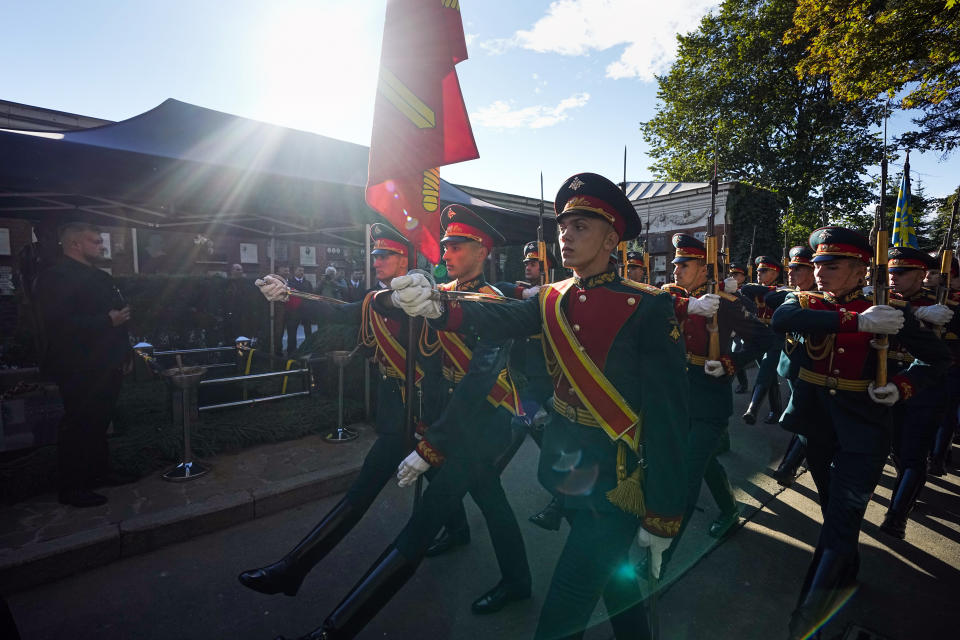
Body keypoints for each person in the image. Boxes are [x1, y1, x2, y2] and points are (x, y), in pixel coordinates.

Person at [392, 173, 698, 640]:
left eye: (582, 227)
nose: (567, 236)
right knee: (616, 584)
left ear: (612, 238)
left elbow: (672, 418)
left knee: (565, 608)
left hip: (617, 480)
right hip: (567, 463)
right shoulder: (552, 297)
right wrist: (439, 306)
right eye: (564, 227)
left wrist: (664, 513)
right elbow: (500, 315)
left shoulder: (647, 307)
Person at [275, 206, 531, 640]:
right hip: (445, 421)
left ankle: (333, 630)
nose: (447, 251)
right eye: (445, 244)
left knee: (422, 524)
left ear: (482, 250)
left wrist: (430, 445)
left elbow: (477, 383)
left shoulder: (494, 303)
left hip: (480, 425)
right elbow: (399, 341)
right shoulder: (435, 292)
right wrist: (291, 298)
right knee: (493, 502)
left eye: (457, 245)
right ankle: (515, 577)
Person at [771, 226, 951, 640]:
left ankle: (804, 623)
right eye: (818, 265)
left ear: (859, 270)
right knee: (835, 509)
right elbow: (783, 318)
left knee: (838, 521)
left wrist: (902, 386)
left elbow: (937, 359)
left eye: (832, 266)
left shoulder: (888, 312)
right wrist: (855, 320)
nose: (820, 273)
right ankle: (846, 574)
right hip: (816, 426)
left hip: (864, 430)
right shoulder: (809, 303)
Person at [662, 234, 774, 548]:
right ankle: (729, 510)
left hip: (709, 398)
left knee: (686, 470)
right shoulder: (670, 296)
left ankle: (662, 553)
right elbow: (646, 303)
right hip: (676, 395)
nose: (675, 269)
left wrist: (729, 362)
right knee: (703, 461)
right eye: (675, 263)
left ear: (704, 268)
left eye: (684, 264)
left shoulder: (726, 303)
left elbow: (765, 340)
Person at [35, 222, 133, 508]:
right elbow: (58, 325)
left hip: (107, 360)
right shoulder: (56, 277)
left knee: (100, 420)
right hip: (78, 364)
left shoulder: (100, 276)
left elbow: (117, 314)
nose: (101, 245)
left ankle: (98, 473)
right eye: (95, 241)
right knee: (79, 423)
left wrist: (123, 352)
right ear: (75, 244)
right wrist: (107, 321)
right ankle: (72, 487)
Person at [881, 246, 956, 539]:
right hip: (891, 383)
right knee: (897, 449)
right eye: (891, 272)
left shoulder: (945, 304)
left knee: (914, 454)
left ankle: (896, 515)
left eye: (901, 273)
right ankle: (908, 488)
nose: (894, 278)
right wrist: (916, 313)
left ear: (921, 274)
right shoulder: (887, 301)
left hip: (929, 387)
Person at [495, 240, 567, 531]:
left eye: (534, 263)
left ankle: (485, 479)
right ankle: (561, 502)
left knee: (517, 432)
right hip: (526, 380)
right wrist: (525, 292)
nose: (528, 266)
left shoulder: (561, 292)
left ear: (547, 265)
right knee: (544, 441)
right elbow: (496, 287)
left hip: (549, 380)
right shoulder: (522, 291)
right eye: (526, 263)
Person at [769, 245, 818, 487]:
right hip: (791, 367)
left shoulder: (825, 299)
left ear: (813, 271)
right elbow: (770, 299)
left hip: (814, 370)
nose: (791, 273)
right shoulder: (792, 295)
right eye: (790, 268)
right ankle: (789, 464)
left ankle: (788, 465)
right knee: (802, 419)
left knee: (804, 420)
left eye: (798, 269)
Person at [741, 255, 788, 424]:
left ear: (775, 273)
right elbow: (745, 290)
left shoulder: (784, 290)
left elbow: (774, 295)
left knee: (768, 369)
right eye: (758, 270)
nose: (759, 274)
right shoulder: (754, 288)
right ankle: (776, 410)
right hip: (759, 335)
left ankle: (753, 408)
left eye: (764, 271)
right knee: (768, 374)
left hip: (776, 335)